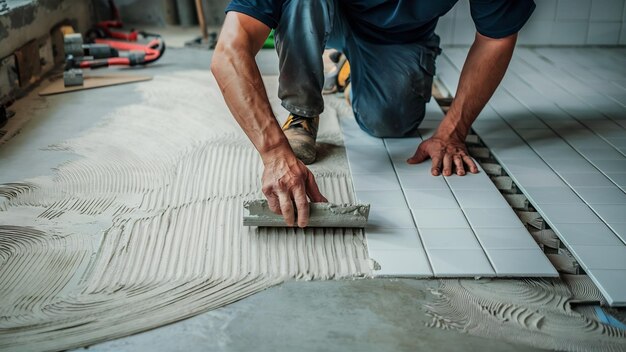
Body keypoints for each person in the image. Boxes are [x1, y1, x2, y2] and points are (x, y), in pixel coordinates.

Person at [211, 0, 536, 227]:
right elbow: (229, 52)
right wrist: (274, 152)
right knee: (301, 2)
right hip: (329, 11)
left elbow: (497, 37)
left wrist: (453, 131)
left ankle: (348, 73)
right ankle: (302, 112)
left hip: (398, 37)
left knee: (392, 123)